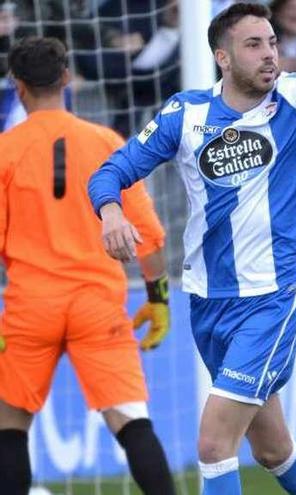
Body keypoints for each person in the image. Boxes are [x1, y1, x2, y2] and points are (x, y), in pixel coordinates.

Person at [88, 1, 296, 493]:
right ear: (223, 57)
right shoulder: (186, 113)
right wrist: (110, 208)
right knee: (272, 449)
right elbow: (113, 169)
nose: (269, 55)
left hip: (274, 295)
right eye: (254, 44)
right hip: (209, 299)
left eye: (273, 43)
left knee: (215, 444)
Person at [0, 37, 174, 495]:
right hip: (97, 305)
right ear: (65, 79)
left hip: (30, 306)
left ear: (17, 86)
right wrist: (158, 300)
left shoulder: (5, 151)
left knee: (10, 425)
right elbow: (149, 237)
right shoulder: (105, 142)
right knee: (132, 422)